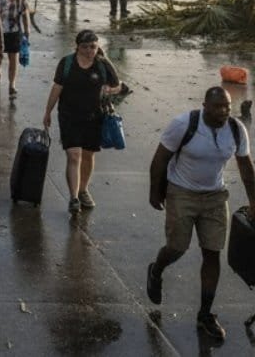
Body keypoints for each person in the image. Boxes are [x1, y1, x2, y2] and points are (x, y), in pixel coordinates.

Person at [146, 87, 255, 342]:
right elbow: (160, 159)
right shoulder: (184, 124)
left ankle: (205, 314)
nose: (224, 111)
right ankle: (156, 270)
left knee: (212, 252)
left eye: (228, 106)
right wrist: (155, 192)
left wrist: (254, 202)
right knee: (176, 247)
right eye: (218, 107)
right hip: (181, 192)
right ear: (205, 105)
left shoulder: (237, 130)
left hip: (215, 196)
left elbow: (246, 169)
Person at [42, 29, 122, 214]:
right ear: (77, 47)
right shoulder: (67, 63)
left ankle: (83, 189)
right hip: (69, 116)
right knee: (74, 155)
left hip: (95, 116)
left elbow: (118, 85)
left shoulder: (103, 65)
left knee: (88, 155)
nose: (89, 51)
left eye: (93, 47)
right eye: (85, 47)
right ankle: (74, 198)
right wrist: (48, 112)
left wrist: (109, 91)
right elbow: (57, 87)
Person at [0, 0, 31, 97]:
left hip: (14, 31)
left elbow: (25, 14)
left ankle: (12, 84)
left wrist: (27, 30)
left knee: (13, 59)